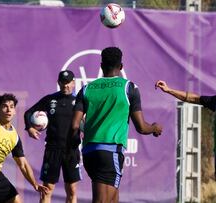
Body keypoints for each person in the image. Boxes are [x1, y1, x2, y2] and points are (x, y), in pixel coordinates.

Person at [70, 47, 163, 203]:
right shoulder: (128, 88)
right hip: (109, 151)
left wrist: (74, 145)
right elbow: (141, 127)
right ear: (121, 66)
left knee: (113, 199)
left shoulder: (86, 89)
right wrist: (154, 128)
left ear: (101, 66)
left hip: (89, 153)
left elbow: (74, 125)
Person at [0, 93, 48, 203]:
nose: (8, 110)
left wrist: (35, 185)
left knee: (17, 201)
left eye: (12, 107)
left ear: (14, 111)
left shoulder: (14, 137)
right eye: (5, 106)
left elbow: (23, 164)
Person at [24, 70, 81, 203]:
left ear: (73, 83)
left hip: (71, 150)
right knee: (47, 190)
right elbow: (28, 113)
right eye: (63, 82)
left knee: (72, 190)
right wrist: (30, 128)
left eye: (68, 83)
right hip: (53, 150)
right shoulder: (50, 99)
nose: (65, 86)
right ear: (58, 83)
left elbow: (88, 120)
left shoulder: (79, 101)